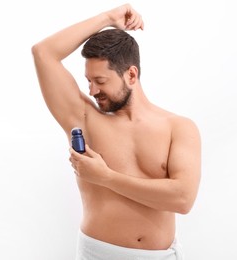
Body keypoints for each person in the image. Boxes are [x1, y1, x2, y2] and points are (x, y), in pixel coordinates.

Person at [31, 3, 201, 260]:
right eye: (89, 81)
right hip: (98, 254)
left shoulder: (178, 127)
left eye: (100, 81)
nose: (92, 91)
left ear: (131, 75)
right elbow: (43, 52)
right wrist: (108, 17)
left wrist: (106, 177)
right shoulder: (85, 119)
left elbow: (183, 198)